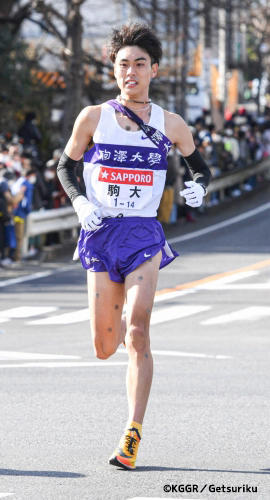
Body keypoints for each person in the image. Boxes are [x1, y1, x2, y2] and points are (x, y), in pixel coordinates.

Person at [57, 23, 211, 470]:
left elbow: (200, 168)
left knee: (138, 330)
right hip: (100, 232)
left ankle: (131, 433)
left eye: (139, 64)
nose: (131, 72)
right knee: (105, 345)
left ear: (154, 70)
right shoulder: (93, 117)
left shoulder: (171, 124)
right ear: (114, 70)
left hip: (144, 234)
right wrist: (81, 202)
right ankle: (120, 350)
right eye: (123, 64)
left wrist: (199, 188)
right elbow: (66, 167)